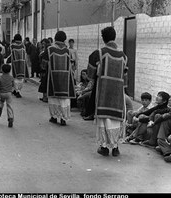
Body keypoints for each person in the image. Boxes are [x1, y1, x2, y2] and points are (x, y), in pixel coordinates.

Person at [86, 26, 128, 157]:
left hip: (104, 90)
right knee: (116, 119)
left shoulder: (100, 52)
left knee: (104, 119)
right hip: (118, 93)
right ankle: (115, 147)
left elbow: (91, 72)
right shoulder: (123, 56)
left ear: (103, 38)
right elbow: (125, 77)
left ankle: (104, 147)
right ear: (114, 37)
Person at [47, 31, 76, 126]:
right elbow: (72, 64)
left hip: (53, 77)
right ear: (64, 39)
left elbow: (44, 62)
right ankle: (63, 119)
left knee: (53, 98)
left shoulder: (50, 49)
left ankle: (54, 117)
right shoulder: (68, 51)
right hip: (65, 78)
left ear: (55, 38)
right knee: (64, 99)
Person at [6, 34, 29, 98]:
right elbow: (25, 55)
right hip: (22, 64)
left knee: (14, 78)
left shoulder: (12, 46)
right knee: (20, 78)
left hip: (14, 64)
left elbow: (10, 55)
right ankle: (17, 91)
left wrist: (7, 61)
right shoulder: (23, 46)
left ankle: (16, 91)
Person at [38, 38, 50, 103]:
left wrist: (43, 69)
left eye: (43, 43)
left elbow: (44, 61)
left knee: (44, 84)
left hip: (45, 70)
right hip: (45, 69)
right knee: (44, 83)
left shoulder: (47, 50)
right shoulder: (45, 50)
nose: (42, 45)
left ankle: (45, 97)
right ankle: (44, 97)